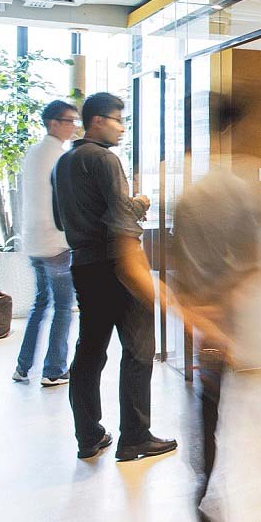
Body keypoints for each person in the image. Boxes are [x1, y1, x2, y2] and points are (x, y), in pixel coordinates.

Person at [52, 92, 176, 462]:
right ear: (97, 121)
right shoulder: (104, 159)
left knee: (90, 352)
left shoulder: (63, 163)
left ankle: (88, 436)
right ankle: (135, 438)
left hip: (84, 266)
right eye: (117, 120)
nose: (122, 128)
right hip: (117, 264)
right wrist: (142, 202)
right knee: (138, 351)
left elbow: (59, 219)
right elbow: (122, 216)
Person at [173, 94, 261, 522]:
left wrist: (206, 321)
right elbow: (253, 262)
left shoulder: (193, 196)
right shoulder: (236, 190)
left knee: (202, 462)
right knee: (207, 453)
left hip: (208, 341)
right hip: (221, 336)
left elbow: (184, 283)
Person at [12, 100, 79, 387]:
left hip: (34, 241)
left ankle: (23, 367)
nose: (74, 126)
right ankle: (54, 370)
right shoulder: (60, 157)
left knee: (40, 304)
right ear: (53, 123)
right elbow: (67, 202)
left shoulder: (33, 153)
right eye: (69, 121)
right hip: (55, 243)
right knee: (63, 307)